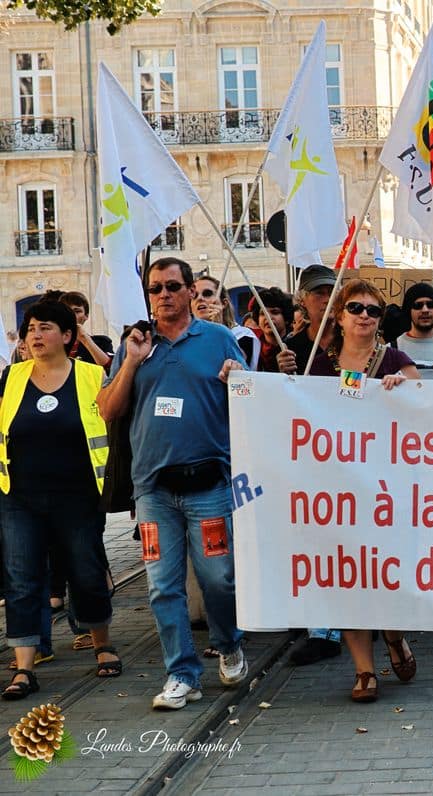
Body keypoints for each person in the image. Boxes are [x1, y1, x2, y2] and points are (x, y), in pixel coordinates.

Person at [96, 256, 248, 709]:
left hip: (209, 484)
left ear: (189, 292)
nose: (163, 295)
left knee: (218, 578)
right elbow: (108, 409)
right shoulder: (135, 346)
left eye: (172, 287)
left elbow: (251, 396)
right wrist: (131, 363)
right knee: (163, 585)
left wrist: (239, 380)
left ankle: (229, 642)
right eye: (155, 289)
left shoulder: (218, 339)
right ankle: (181, 673)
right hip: (153, 490)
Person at [305, 279, 419, 701]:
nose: (365, 316)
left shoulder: (395, 358)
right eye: (356, 308)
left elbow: (428, 408)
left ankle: (392, 633)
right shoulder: (317, 363)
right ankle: (364, 670)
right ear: (339, 315)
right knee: (348, 575)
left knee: (384, 573)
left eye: (374, 310)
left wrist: (404, 391)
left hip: (386, 488)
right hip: (336, 488)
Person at [0, 301, 121, 700]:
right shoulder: (12, 377)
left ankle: (102, 642)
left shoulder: (91, 375)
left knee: (85, 571)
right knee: (21, 579)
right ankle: (24, 668)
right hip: (19, 498)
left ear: (68, 336)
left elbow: (114, 421)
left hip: (78, 496)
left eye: (45, 327)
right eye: (30, 328)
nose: (34, 335)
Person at [192, 275, 261, 371]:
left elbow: (234, 369)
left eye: (207, 294)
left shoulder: (243, 336)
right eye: (194, 296)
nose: (200, 298)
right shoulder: (187, 337)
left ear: (224, 303)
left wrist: (216, 329)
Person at [286, 265, 338, 372]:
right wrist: (282, 373)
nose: (328, 299)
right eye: (319, 293)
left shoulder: (353, 341)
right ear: (302, 300)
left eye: (332, 292)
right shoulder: (291, 349)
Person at [393, 282, 433, 372]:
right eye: (418, 306)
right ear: (408, 311)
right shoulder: (392, 350)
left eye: (430, 305)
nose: (425, 310)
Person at [59, 291, 113, 370]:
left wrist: (85, 339)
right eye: (66, 311)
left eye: (77, 311)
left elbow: (110, 369)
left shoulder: (101, 343)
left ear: (86, 316)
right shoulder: (51, 343)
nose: (71, 315)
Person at [252, 287, 297, 374]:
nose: (268, 318)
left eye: (275, 312)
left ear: (286, 318)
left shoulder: (296, 345)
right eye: (263, 313)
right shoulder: (252, 346)